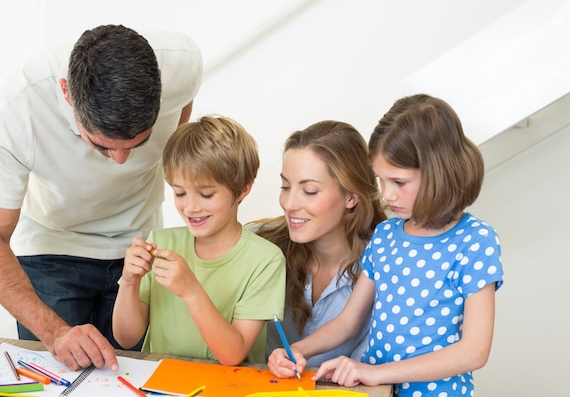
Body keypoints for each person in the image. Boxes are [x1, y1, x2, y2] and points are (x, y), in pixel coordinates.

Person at [0, 24, 202, 371]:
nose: (121, 161)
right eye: (102, 146)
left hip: (138, 248)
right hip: (52, 250)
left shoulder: (183, 65)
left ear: (162, 82)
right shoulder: (18, 105)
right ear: (67, 93)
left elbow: (180, 118)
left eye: (137, 143)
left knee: (131, 378)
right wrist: (54, 333)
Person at [268, 94, 504, 397]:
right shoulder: (385, 235)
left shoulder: (475, 240)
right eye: (380, 180)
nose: (386, 195)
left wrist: (376, 372)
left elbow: (474, 352)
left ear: (438, 172)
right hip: (381, 391)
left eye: (399, 182)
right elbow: (348, 322)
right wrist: (297, 350)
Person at [112, 115, 286, 365]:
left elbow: (233, 354)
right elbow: (126, 339)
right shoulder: (161, 243)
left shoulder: (265, 260)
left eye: (206, 194)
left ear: (243, 188)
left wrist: (192, 291)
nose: (191, 207)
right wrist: (129, 281)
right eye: (179, 192)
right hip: (161, 384)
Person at [248, 120, 386, 366]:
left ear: (352, 197)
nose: (289, 204)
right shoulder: (259, 246)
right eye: (285, 186)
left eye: (309, 191)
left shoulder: (385, 265)